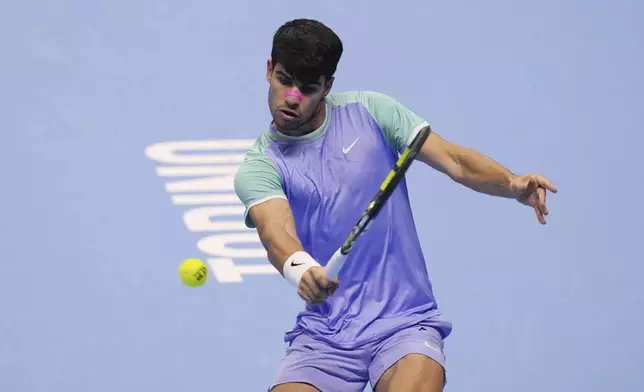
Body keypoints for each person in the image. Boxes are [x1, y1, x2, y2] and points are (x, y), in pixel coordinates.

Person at [234, 18, 557, 392]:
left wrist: (511, 183)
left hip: (403, 323)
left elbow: (453, 159)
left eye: (307, 88)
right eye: (285, 80)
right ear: (269, 69)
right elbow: (276, 231)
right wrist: (301, 268)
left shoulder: (371, 112)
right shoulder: (260, 165)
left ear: (327, 87)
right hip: (324, 336)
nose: (292, 97)